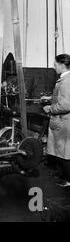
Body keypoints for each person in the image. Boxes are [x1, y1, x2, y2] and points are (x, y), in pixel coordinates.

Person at [43, 54, 70, 187]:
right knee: (61, 150)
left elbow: (66, 104)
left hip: (63, 121)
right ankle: (62, 175)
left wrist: (50, 108)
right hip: (61, 121)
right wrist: (50, 98)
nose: (54, 67)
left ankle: (67, 180)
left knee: (64, 152)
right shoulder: (65, 79)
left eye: (55, 65)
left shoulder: (66, 81)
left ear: (62, 65)